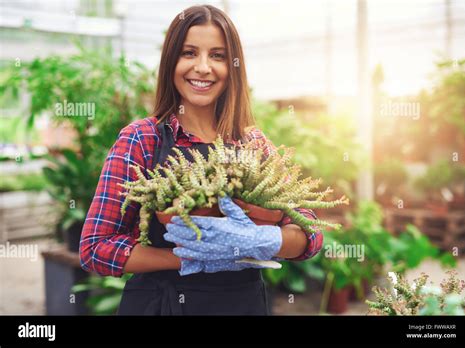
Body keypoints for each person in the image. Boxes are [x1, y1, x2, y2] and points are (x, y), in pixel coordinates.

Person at [79, 4, 323, 315]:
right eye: (189, 53)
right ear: (171, 62)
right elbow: (96, 248)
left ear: (232, 66)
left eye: (218, 56)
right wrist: (192, 258)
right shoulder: (142, 138)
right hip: (163, 305)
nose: (203, 67)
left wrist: (262, 240)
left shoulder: (253, 143)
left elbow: (311, 234)